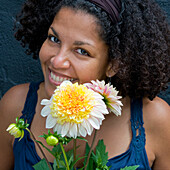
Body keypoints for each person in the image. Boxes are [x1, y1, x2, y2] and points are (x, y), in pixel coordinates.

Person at [0, 0, 170, 169]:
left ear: (114, 64)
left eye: (82, 51)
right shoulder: (16, 105)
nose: (57, 61)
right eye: (54, 39)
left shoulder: (156, 119)